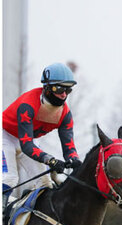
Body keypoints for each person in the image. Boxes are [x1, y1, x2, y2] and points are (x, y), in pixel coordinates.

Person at [2, 63, 79, 206]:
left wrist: (74, 160)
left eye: (68, 90)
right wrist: (51, 160)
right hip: (5, 136)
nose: (64, 95)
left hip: (29, 140)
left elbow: (69, 147)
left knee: (44, 183)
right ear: (47, 88)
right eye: (59, 89)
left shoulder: (65, 115)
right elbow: (26, 146)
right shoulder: (28, 105)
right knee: (10, 178)